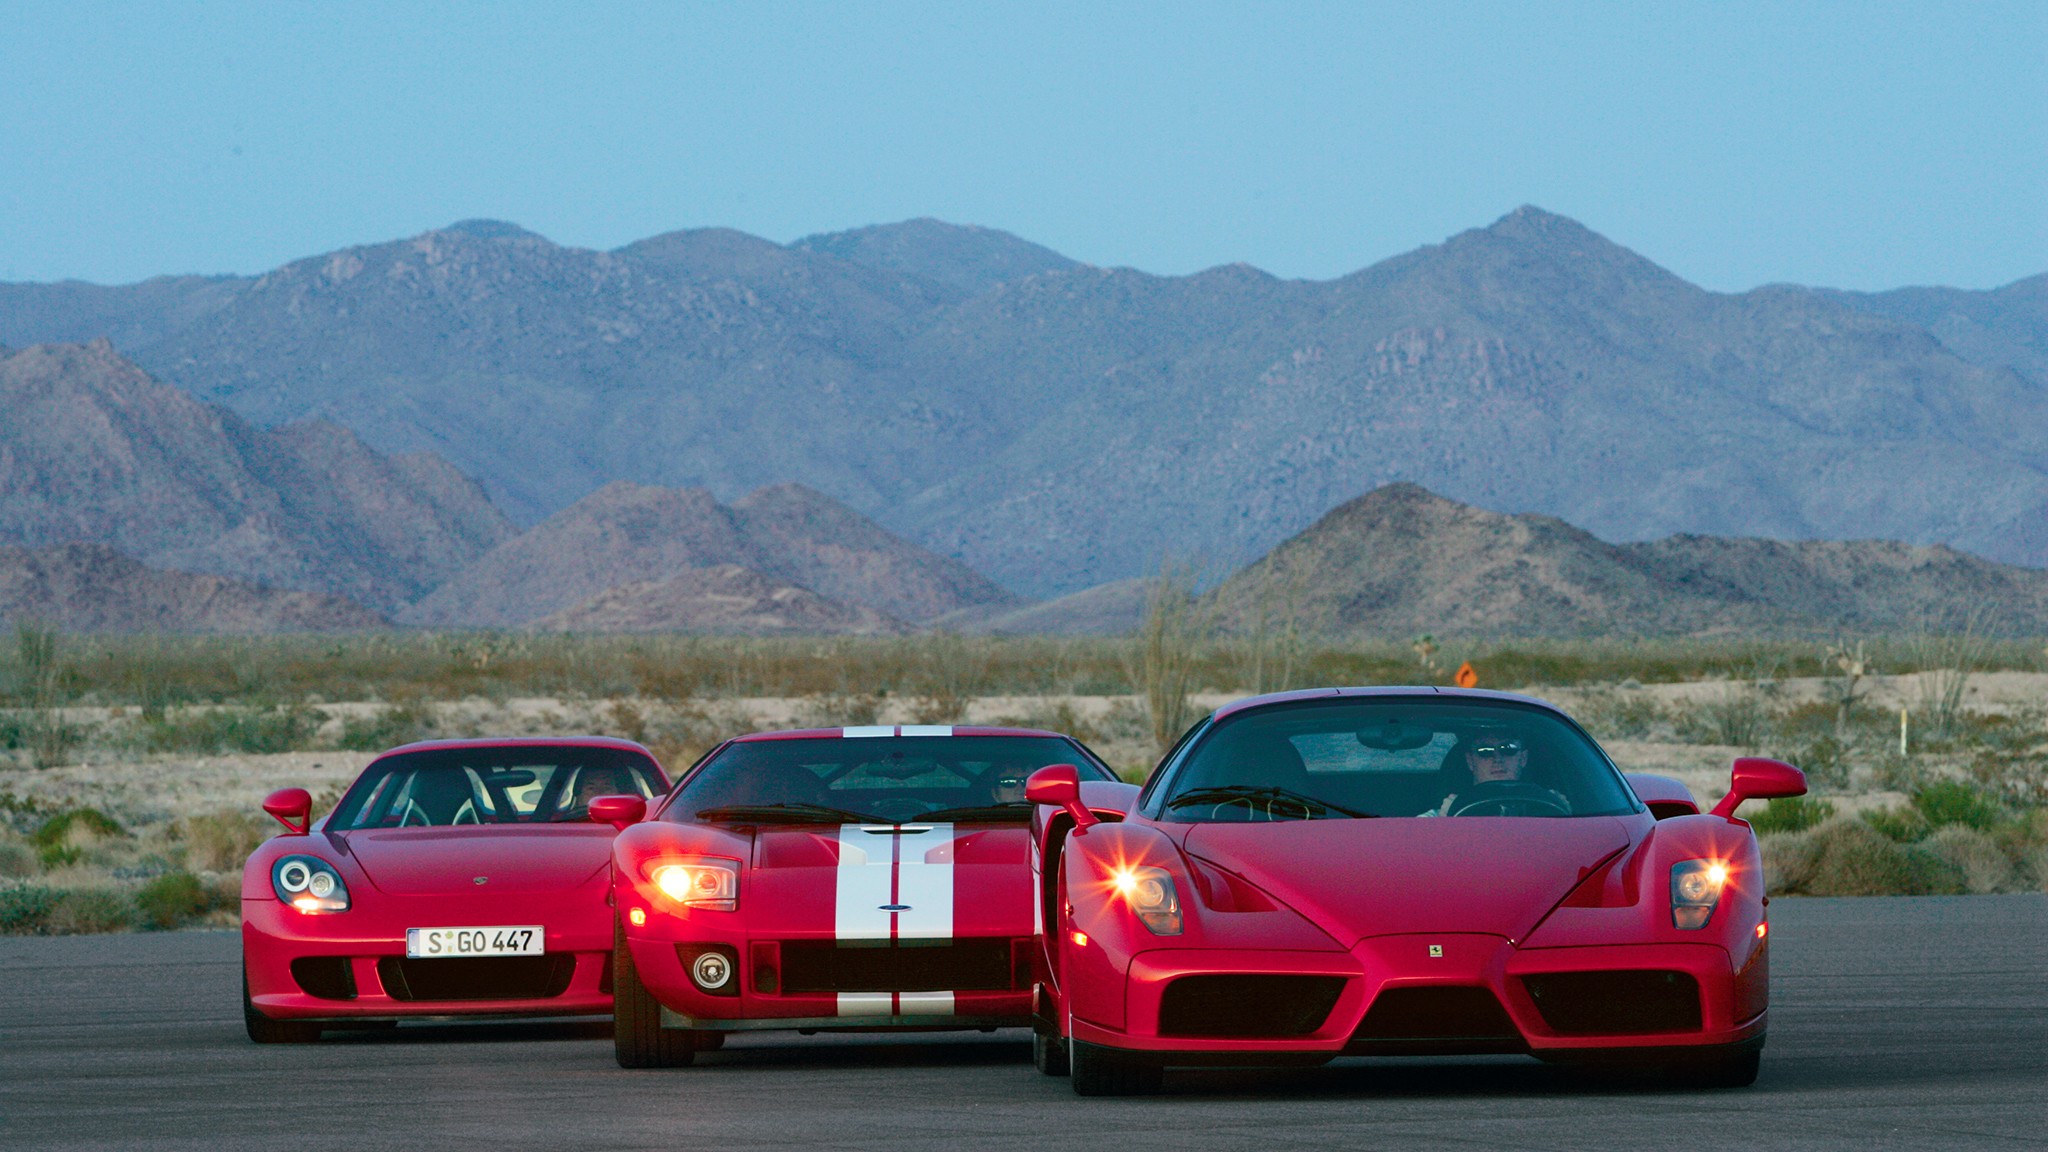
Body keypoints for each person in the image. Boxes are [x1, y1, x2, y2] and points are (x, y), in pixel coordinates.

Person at [1422, 733, 1570, 817]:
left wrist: (1566, 818)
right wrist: (1444, 824)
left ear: (1523, 758)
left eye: (1508, 748)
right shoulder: (1438, 816)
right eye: (1484, 751)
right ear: (1470, 761)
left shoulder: (1550, 808)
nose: (1497, 758)